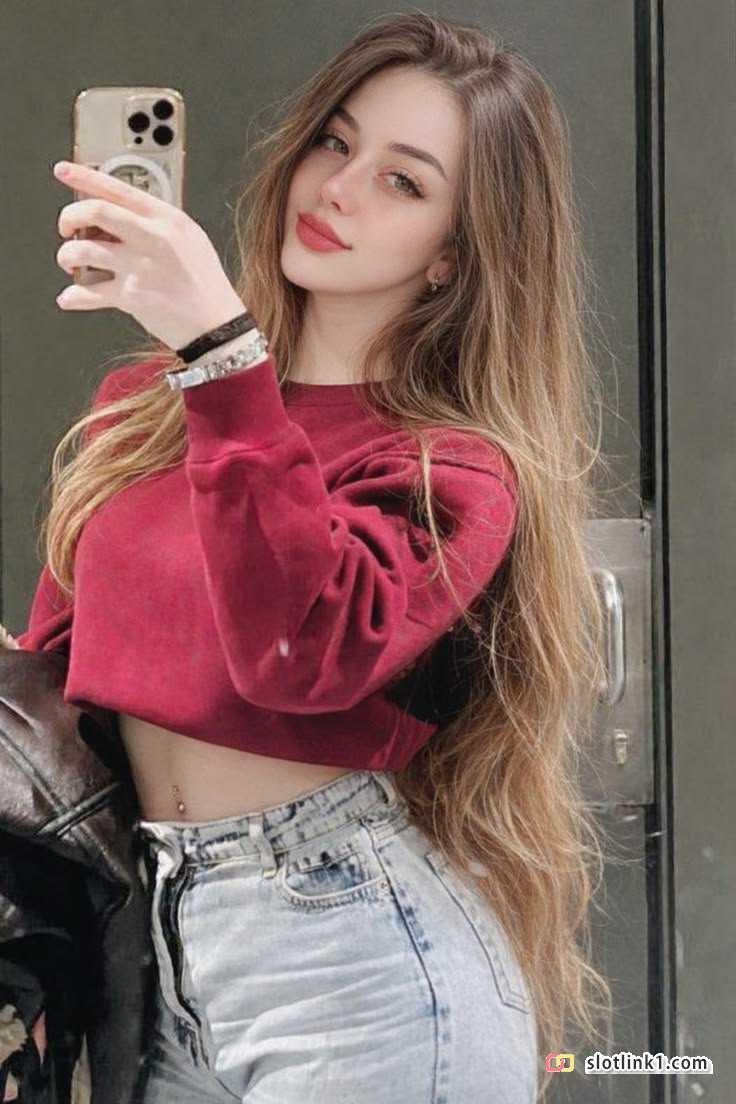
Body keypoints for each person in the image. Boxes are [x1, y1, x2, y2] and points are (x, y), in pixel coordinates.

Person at [16, 11, 614, 1103]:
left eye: (402, 181)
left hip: (352, 958)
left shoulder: (450, 469)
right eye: (335, 142)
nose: (337, 188)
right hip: (152, 951)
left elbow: (300, 652)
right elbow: (61, 700)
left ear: (452, 254)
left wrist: (217, 352)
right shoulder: (144, 410)